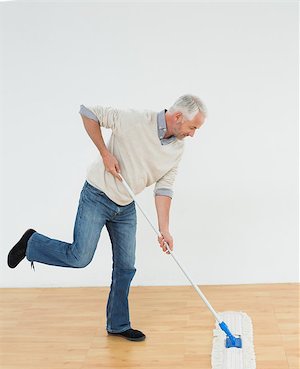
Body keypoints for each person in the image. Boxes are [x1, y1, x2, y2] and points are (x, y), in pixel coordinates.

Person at [7, 94, 207, 341]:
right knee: (80, 257)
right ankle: (32, 243)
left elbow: (164, 187)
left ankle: (118, 324)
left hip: (126, 205)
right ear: (178, 117)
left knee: (126, 267)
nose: (193, 134)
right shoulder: (135, 119)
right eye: (192, 127)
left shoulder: (177, 148)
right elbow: (88, 111)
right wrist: (105, 153)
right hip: (97, 196)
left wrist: (164, 228)